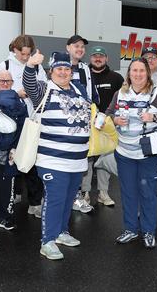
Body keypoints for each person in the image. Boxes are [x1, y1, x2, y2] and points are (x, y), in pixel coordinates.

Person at [22, 51, 92, 260]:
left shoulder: (78, 89)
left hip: (77, 160)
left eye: (67, 69)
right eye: (59, 69)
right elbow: (29, 84)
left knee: (68, 198)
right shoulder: (44, 89)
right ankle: (47, 241)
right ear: (51, 71)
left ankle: (62, 232)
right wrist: (30, 65)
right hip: (52, 159)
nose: (63, 72)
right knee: (55, 199)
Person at [106, 57, 157, 249]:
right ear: (129, 73)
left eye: (141, 71)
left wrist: (154, 116)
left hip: (149, 154)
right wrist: (114, 119)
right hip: (124, 153)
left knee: (147, 193)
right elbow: (108, 114)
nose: (138, 74)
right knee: (128, 193)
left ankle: (148, 231)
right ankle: (130, 229)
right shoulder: (120, 93)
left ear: (148, 73)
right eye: (134, 70)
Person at [0, 35, 46, 217]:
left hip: (32, 120)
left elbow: (45, 89)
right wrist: (17, 93)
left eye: (28, 54)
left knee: (31, 162)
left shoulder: (37, 66)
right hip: (10, 124)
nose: (25, 57)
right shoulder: (4, 66)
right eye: (22, 54)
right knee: (10, 159)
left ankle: (35, 202)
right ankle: (12, 195)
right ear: (14, 49)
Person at [84, 45, 123, 207]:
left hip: (108, 126)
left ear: (106, 58)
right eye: (94, 56)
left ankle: (103, 193)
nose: (98, 58)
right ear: (90, 58)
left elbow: (123, 100)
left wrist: (114, 119)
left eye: (101, 56)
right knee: (87, 159)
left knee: (105, 159)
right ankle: (85, 193)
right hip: (87, 125)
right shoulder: (83, 75)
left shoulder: (116, 78)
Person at [0, 69, 27, 230]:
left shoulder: (20, 103)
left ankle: (4, 216)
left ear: (12, 83)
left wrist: (16, 148)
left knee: (6, 188)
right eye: (1, 81)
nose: (5, 84)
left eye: (8, 81)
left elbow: (23, 127)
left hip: (8, 153)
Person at [66, 34, 98, 213]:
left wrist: (91, 117)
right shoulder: (60, 66)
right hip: (63, 123)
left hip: (82, 122)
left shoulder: (86, 69)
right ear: (68, 47)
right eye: (76, 46)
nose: (80, 49)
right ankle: (63, 197)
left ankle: (76, 196)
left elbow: (90, 96)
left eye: (82, 47)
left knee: (80, 160)